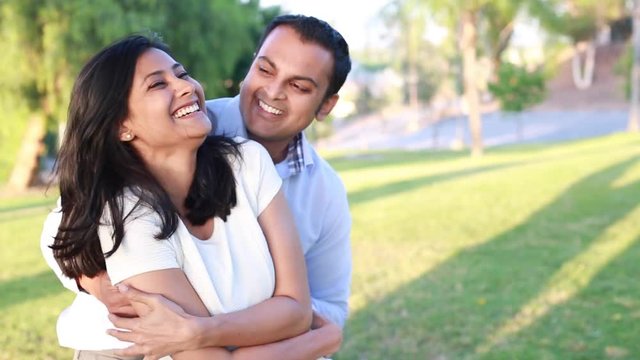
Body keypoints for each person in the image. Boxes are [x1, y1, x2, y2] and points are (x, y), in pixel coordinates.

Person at [41, 34, 341, 359]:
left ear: (326, 103)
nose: (186, 87)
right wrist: (321, 341)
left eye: (182, 74)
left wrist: (199, 332)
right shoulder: (123, 213)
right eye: (158, 84)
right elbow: (64, 227)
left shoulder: (248, 161)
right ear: (121, 126)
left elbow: (297, 310)